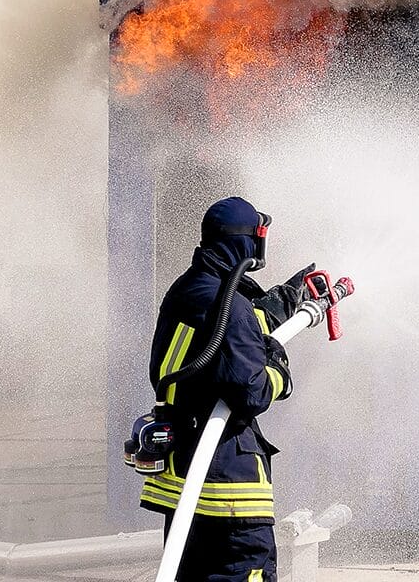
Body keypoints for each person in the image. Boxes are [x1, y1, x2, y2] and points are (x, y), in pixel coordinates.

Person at [140, 196, 309, 582]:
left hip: (187, 485)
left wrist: (286, 299)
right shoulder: (227, 306)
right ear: (251, 241)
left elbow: (232, 339)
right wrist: (278, 367)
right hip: (229, 493)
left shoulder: (190, 288)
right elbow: (251, 390)